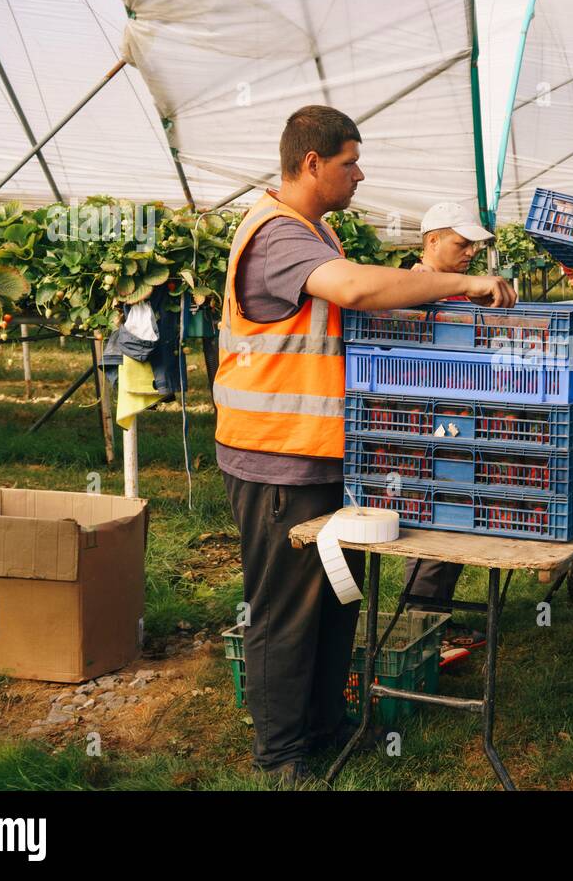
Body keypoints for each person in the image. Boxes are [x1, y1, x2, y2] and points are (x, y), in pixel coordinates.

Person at [214, 105, 515, 786]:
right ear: (312, 162)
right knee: (285, 610)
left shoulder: (315, 231)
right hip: (275, 457)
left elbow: (356, 303)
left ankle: (325, 725)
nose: (360, 173)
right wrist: (462, 281)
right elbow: (352, 289)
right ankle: (281, 754)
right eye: (351, 161)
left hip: (318, 452)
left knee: (335, 598)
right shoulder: (278, 233)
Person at [401, 202, 492, 648]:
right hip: (429, 424)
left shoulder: (457, 291)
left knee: (455, 518)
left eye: (474, 243)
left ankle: (435, 619)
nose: (471, 251)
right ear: (431, 240)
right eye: (462, 242)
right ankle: (421, 628)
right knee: (433, 521)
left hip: (459, 419)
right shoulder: (413, 288)